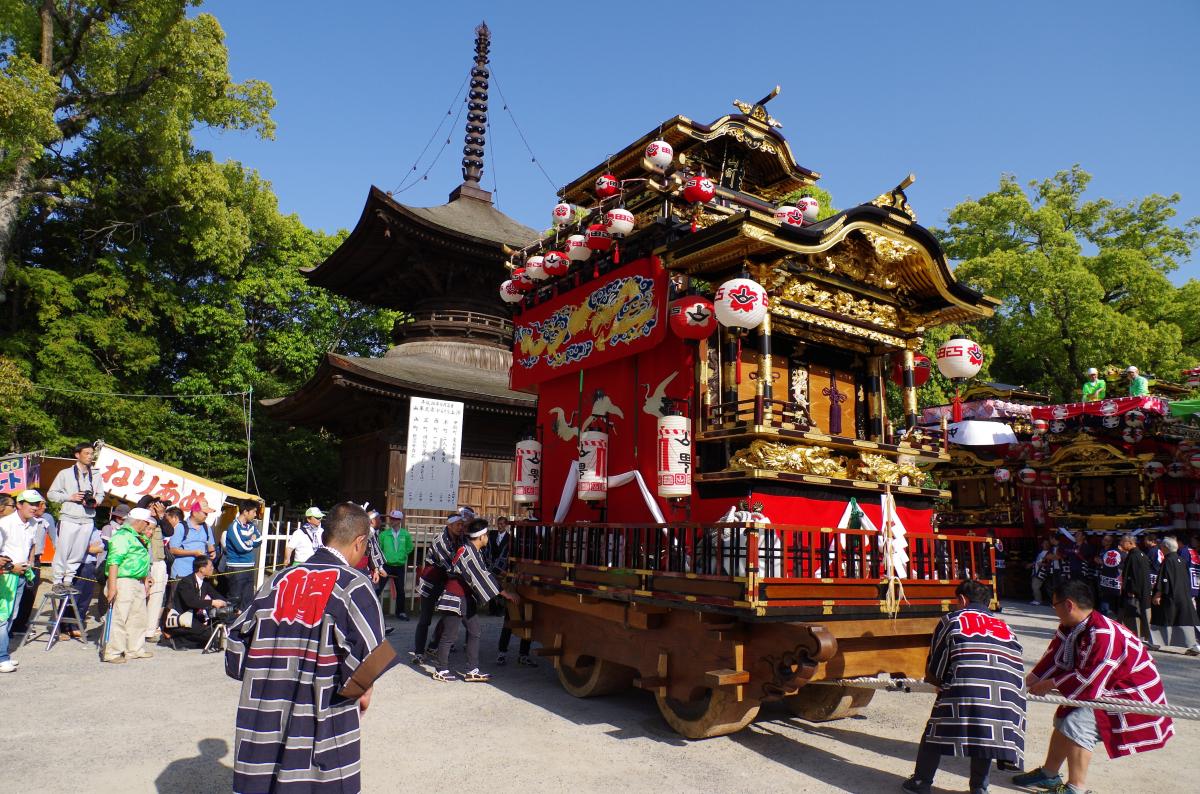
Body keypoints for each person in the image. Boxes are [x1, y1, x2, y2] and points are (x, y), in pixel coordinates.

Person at [225, 502, 398, 792]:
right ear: (359, 542)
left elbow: (234, 645)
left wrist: (267, 674)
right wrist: (360, 693)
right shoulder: (354, 585)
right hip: (320, 715)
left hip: (264, 713)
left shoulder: (276, 580)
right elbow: (371, 659)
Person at [1015, 580, 1173, 794]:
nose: (1055, 612)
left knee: (1078, 724)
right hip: (1105, 686)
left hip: (1130, 692)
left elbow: (1089, 680)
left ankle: (1076, 788)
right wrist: (1029, 681)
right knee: (1064, 716)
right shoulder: (1074, 626)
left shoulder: (1103, 633)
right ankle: (1049, 774)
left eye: (1055, 606)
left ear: (1068, 605)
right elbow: (1054, 656)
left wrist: (1050, 684)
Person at [902, 580, 1026, 794]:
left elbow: (936, 668)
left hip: (968, 685)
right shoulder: (1005, 626)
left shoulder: (952, 619)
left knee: (935, 728)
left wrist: (939, 684)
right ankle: (979, 787)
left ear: (962, 600)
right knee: (987, 728)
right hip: (1010, 696)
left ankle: (921, 782)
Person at [432, 518, 515, 682]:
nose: (487, 538)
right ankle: (441, 670)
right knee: (449, 635)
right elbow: (483, 576)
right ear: (481, 536)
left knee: (475, 631)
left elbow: (485, 570)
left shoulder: (472, 550)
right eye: (486, 535)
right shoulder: (469, 553)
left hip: (464, 596)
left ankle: (472, 669)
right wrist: (506, 593)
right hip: (455, 597)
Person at [46, 442, 105, 594]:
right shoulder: (65, 473)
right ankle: (57, 580)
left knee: (78, 552)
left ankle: (68, 581)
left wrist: (96, 501)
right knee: (63, 549)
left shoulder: (96, 475)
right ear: (77, 455)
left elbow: (100, 495)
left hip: (87, 518)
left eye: (92, 454)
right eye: (87, 453)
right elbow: (51, 494)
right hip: (69, 516)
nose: (90, 456)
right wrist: (70, 497)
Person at [103, 506, 155, 664]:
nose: (147, 526)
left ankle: (134, 649)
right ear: (139, 521)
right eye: (146, 522)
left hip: (138, 581)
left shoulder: (137, 537)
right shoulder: (122, 536)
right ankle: (112, 652)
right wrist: (112, 587)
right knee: (119, 617)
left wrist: (146, 578)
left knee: (138, 617)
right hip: (123, 580)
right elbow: (113, 562)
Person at [0, 490, 45, 673]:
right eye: (31, 504)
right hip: (6, 575)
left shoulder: (34, 523)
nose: (35, 508)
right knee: (2, 616)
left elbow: (32, 544)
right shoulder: (5, 524)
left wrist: (31, 562)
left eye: (37, 504)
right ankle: (2, 657)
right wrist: (12, 568)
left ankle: (3, 653)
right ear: (19, 504)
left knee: (13, 615)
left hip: (21, 574)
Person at [412, 513, 465, 662]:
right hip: (431, 582)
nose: (461, 527)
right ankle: (419, 652)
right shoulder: (439, 541)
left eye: (462, 524)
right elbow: (450, 564)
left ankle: (433, 645)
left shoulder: (461, 540)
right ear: (449, 525)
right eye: (458, 524)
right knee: (425, 619)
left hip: (447, 582)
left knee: (448, 616)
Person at [1152, 536, 1200, 653]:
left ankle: (1156, 642)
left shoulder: (1168, 561)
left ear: (1165, 547)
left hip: (1171, 596)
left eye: (1162, 546)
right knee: (1184, 620)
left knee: (1163, 618)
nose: (1161, 548)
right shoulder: (1181, 560)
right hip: (1183, 595)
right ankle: (1192, 644)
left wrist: (1158, 593)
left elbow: (1164, 578)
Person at [169, 556, 229, 647]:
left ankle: (186, 639)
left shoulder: (205, 583)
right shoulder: (186, 582)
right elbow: (191, 602)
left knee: (213, 635)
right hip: (182, 618)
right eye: (211, 566)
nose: (213, 568)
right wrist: (212, 602)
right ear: (201, 569)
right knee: (211, 636)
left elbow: (217, 596)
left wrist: (231, 607)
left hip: (196, 618)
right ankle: (178, 639)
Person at [221, 499, 262, 611]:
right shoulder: (233, 527)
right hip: (237, 567)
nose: (255, 514)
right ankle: (227, 624)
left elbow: (259, 539)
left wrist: (249, 542)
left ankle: (242, 624)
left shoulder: (251, 526)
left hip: (249, 566)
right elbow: (241, 548)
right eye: (253, 512)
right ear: (245, 511)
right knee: (234, 598)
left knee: (247, 599)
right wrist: (251, 541)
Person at [1117, 533, 1155, 648]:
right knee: (1135, 616)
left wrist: (1132, 590)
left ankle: (1136, 639)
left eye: (1123, 542)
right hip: (1142, 592)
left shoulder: (1135, 556)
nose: (1121, 544)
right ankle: (1138, 639)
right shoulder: (1140, 554)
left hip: (1135, 593)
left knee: (1133, 616)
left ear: (1130, 543)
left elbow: (1135, 576)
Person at [377, 509, 413, 620]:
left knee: (400, 590)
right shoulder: (384, 534)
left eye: (394, 519)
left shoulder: (405, 534)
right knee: (378, 588)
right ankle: (372, 610)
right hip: (386, 565)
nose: (392, 521)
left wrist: (402, 556)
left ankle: (401, 612)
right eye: (391, 519)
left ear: (399, 521)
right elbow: (379, 548)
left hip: (399, 565)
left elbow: (409, 548)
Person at [167, 504, 216, 581]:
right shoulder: (181, 527)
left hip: (200, 574)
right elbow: (173, 550)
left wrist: (213, 552)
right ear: (195, 513)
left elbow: (211, 546)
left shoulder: (207, 527)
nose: (206, 516)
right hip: (182, 573)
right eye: (205, 513)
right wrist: (194, 553)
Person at [1096, 534, 1124, 618]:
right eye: (1103, 539)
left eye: (1106, 540)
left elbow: (1118, 565)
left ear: (1111, 542)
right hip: (1103, 577)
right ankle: (1104, 617)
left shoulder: (1115, 552)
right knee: (1104, 598)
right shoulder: (1101, 550)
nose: (1103, 541)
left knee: (1114, 599)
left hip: (1114, 579)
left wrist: (1102, 562)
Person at [1029, 539, 1052, 605]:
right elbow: (1037, 561)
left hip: (1044, 572)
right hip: (1037, 571)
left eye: (1047, 543)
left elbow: (1050, 563)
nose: (1046, 545)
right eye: (1044, 543)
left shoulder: (1050, 553)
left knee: (1047, 587)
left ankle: (1038, 600)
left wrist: (1043, 564)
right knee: (1035, 586)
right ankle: (1037, 599)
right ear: (1042, 544)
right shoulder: (1039, 552)